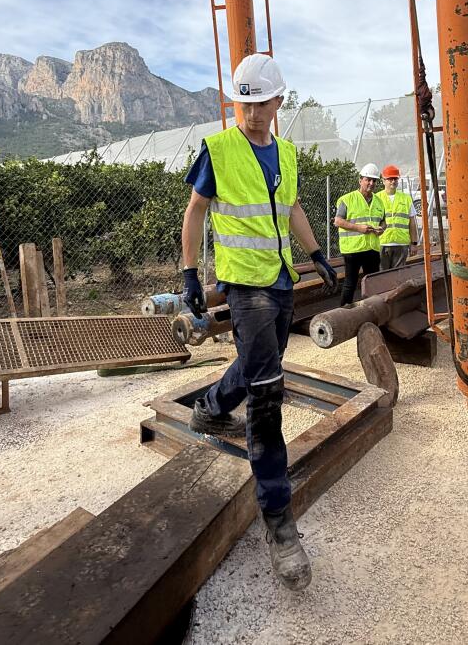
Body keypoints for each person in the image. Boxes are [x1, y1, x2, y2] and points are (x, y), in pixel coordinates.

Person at [179, 53, 338, 592]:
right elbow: (196, 211)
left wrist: (315, 253)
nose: (250, 111)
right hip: (243, 285)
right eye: (242, 102)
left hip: (280, 279)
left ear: (277, 102)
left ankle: (209, 407)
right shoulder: (219, 150)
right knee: (268, 396)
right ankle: (279, 522)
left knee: (257, 367)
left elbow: (289, 207)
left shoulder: (288, 154)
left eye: (259, 102)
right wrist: (189, 274)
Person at [333, 163, 386, 305]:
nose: (371, 183)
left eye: (374, 180)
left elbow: (383, 222)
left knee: (372, 283)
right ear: (360, 180)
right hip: (353, 250)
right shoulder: (347, 199)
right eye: (368, 179)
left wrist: (381, 228)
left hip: (372, 249)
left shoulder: (379, 202)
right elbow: (338, 221)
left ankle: (371, 310)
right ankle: (343, 314)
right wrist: (358, 228)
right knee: (350, 284)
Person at [378, 165, 418, 270]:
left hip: (401, 243)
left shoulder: (406, 198)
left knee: (398, 277)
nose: (393, 181)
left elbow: (412, 222)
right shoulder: (376, 198)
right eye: (390, 179)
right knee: (381, 276)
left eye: (395, 178)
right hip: (382, 243)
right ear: (383, 181)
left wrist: (414, 243)